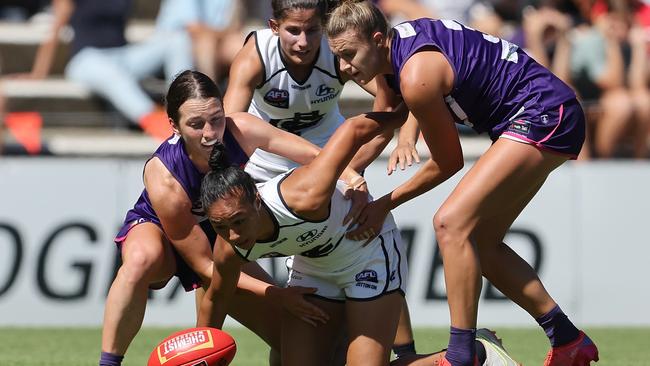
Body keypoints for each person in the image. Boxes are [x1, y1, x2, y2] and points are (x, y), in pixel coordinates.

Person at [325, 1, 599, 365]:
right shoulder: (398, 50)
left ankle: (459, 355)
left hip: (543, 113)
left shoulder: (414, 73)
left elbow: (448, 160)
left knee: (450, 224)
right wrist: (346, 174)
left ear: (376, 39)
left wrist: (383, 204)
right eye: (338, 58)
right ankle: (567, 339)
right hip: (546, 112)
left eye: (349, 55)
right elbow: (388, 115)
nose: (344, 68)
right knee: (480, 244)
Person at [197, 106, 521, 366]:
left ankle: (479, 354)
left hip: (366, 252)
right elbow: (216, 295)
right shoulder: (229, 246)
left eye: (238, 221)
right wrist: (201, 353)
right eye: (221, 227)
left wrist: (405, 112)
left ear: (256, 200)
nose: (233, 235)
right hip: (314, 269)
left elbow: (352, 130)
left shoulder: (304, 195)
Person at [99, 70, 367, 366]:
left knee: (301, 347)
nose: (210, 133)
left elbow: (314, 155)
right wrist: (276, 293)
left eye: (216, 119)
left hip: (221, 235)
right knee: (140, 259)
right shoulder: (163, 176)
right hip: (162, 233)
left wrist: (352, 177)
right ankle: (109, 363)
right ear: (173, 125)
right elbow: (204, 266)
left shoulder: (241, 128)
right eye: (196, 124)